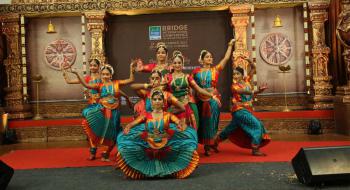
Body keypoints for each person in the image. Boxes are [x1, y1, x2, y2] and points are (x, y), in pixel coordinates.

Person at [116, 90, 199, 179]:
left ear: (163, 102)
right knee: (124, 146)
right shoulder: (146, 115)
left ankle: (171, 170)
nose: (157, 101)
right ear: (151, 102)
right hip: (148, 144)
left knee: (188, 146)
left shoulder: (168, 115)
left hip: (165, 144)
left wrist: (181, 124)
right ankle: (140, 171)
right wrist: (128, 126)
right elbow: (133, 123)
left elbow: (178, 122)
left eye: (159, 99)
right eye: (155, 99)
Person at [63, 59, 133, 160]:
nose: (92, 67)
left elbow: (116, 89)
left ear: (99, 67)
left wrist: (127, 98)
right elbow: (73, 82)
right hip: (96, 107)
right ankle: (93, 151)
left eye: (94, 65)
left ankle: (106, 152)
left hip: (111, 109)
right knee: (91, 127)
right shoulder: (89, 80)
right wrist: (65, 72)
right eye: (90, 65)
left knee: (113, 130)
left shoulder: (104, 81)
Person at [214, 59, 271, 156]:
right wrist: (256, 92)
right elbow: (244, 92)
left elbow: (253, 68)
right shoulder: (234, 86)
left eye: (238, 74)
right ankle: (255, 148)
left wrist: (250, 61)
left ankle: (214, 143)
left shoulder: (246, 80)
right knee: (257, 125)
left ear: (242, 74)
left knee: (230, 129)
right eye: (234, 74)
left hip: (246, 110)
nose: (236, 76)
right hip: (240, 111)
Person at [191, 39, 235, 156]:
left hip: (213, 99)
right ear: (202, 59)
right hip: (200, 99)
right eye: (207, 57)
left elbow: (225, 59)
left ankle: (209, 144)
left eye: (211, 57)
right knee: (203, 122)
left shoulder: (215, 70)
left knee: (211, 121)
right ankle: (204, 144)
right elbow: (191, 85)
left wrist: (230, 45)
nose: (210, 58)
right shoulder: (196, 72)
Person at [164, 51, 213, 129]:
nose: (177, 65)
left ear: (183, 64)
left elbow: (199, 89)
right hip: (173, 105)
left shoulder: (187, 77)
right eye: (175, 63)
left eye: (179, 63)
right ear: (172, 64)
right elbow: (163, 91)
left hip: (186, 105)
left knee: (188, 128)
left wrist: (211, 95)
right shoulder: (167, 77)